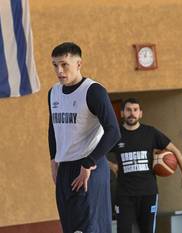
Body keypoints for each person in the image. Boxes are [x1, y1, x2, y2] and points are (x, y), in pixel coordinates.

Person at [48, 42, 121, 233]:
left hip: (89, 167)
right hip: (65, 168)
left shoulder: (93, 91)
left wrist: (89, 162)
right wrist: (54, 160)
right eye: (55, 65)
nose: (59, 70)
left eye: (64, 64)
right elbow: (53, 129)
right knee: (71, 229)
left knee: (90, 229)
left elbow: (113, 131)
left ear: (79, 63)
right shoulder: (53, 92)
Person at [109, 97, 182, 233]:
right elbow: (97, 153)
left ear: (140, 113)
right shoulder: (116, 135)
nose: (132, 113)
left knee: (147, 230)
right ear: (122, 113)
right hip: (124, 194)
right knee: (123, 230)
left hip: (148, 192)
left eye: (135, 110)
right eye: (128, 110)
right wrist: (111, 165)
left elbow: (175, 150)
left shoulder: (150, 133)